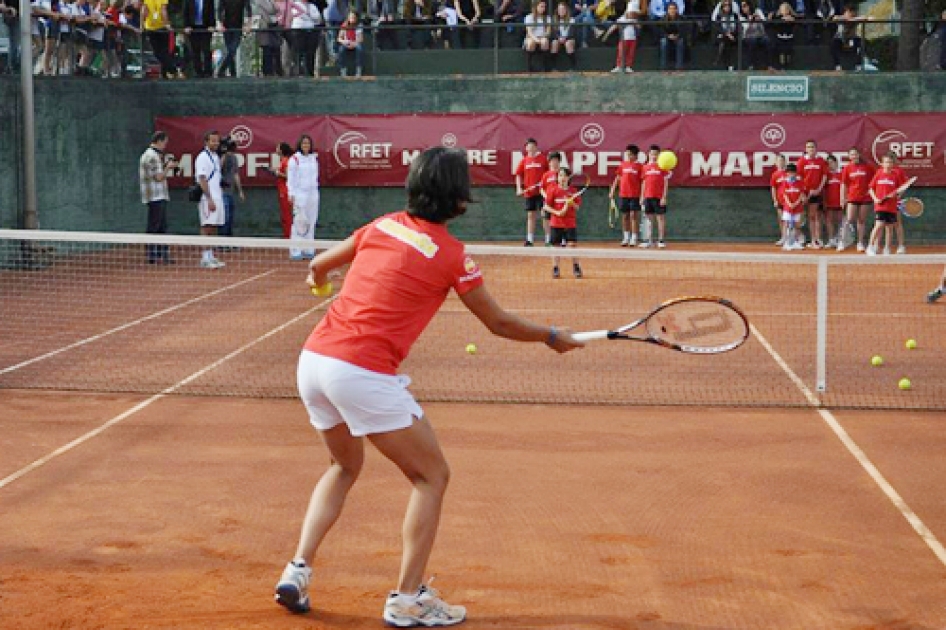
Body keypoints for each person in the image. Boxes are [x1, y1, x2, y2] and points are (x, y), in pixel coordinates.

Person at [273, 147, 583, 625]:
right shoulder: (453, 256)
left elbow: (319, 268)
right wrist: (550, 336)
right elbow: (497, 322)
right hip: (362, 373)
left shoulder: (381, 225)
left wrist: (320, 288)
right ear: (459, 202)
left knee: (342, 466)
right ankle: (406, 598)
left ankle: (297, 570)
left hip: (313, 362)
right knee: (431, 476)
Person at [139, 131, 177, 264]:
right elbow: (159, 177)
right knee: (154, 226)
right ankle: (152, 255)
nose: (165, 146)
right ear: (159, 141)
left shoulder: (155, 156)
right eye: (165, 143)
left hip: (159, 195)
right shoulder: (151, 156)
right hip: (155, 196)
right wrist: (168, 167)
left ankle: (162, 254)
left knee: (161, 226)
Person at [866, 152, 908, 257]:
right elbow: (871, 188)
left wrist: (897, 195)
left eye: (890, 162)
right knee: (879, 225)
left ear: (893, 163)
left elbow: (900, 189)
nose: (888, 164)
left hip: (892, 206)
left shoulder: (895, 175)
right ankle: (870, 247)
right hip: (880, 206)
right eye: (886, 162)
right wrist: (875, 199)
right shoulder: (878, 173)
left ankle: (887, 249)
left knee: (889, 228)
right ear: (882, 163)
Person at [195, 130, 226, 268]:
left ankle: (211, 256)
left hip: (218, 196)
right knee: (206, 226)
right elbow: (202, 178)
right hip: (207, 198)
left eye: (217, 141)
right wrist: (209, 198)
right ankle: (205, 258)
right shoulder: (202, 157)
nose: (216, 143)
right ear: (206, 142)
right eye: (213, 140)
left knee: (214, 227)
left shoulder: (215, 157)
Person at [545, 167, 583, 278]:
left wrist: (571, 203)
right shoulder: (552, 190)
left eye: (564, 176)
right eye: (560, 175)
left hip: (570, 223)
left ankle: (576, 267)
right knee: (555, 246)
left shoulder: (573, 191)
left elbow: (577, 208)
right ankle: (555, 268)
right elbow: (546, 206)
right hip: (556, 223)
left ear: (568, 178)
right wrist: (557, 212)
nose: (562, 178)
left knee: (572, 246)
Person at [287, 134, 320, 260]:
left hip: (313, 194)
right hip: (300, 194)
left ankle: (308, 248)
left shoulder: (313, 158)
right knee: (299, 222)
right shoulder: (294, 159)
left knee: (311, 221)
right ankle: (296, 249)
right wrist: (291, 193)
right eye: (304, 143)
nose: (306, 145)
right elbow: (291, 179)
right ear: (300, 145)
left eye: (308, 143)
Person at [837, 146, 873, 252]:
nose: (854, 156)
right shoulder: (847, 168)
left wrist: (870, 190)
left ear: (859, 155)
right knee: (849, 219)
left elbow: (874, 180)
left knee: (861, 221)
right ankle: (842, 241)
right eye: (851, 154)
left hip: (865, 198)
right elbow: (844, 184)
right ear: (849, 156)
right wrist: (842, 198)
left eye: (855, 154)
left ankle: (860, 243)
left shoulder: (868, 167)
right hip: (852, 197)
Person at [513, 137, 548, 247]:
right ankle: (529, 239)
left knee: (544, 215)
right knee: (531, 215)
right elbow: (518, 175)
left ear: (536, 147)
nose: (530, 148)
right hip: (529, 193)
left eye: (532, 146)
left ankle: (548, 240)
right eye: (528, 146)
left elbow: (549, 174)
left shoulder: (543, 159)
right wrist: (519, 188)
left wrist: (546, 186)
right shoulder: (524, 160)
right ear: (526, 148)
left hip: (542, 192)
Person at [796, 139, 828, 249]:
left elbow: (824, 176)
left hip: (815, 193)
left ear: (816, 148)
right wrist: (802, 193)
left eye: (812, 147)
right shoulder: (801, 161)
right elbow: (798, 178)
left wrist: (818, 189)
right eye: (809, 147)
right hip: (803, 193)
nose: (811, 149)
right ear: (806, 149)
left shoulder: (821, 161)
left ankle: (814, 240)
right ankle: (798, 238)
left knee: (812, 217)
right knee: (797, 217)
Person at [609, 143, 643, 247]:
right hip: (623, 194)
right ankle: (626, 237)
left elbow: (643, 182)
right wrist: (612, 190)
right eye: (627, 154)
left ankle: (634, 237)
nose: (628, 156)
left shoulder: (640, 166)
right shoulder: (622, 165)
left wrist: (642, 196)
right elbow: (617, 178)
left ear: (636, 156)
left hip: (635, 195)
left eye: (630, 155)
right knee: (625, 216)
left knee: (633, 216)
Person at [639, 145, 670, 248]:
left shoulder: (662, 167)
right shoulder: (645, 167)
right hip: (648, 196)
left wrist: (664, 197)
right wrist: (642, 197)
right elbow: (644, 182)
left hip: (659, 197)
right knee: (648, 219)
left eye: (656, 154)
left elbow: (665, 183)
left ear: (659, 155)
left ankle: (661, 240)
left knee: (660, 218)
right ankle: (648, 240)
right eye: (652, 154)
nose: (654, 156)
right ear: (649, 154)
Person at [215, 0, 252, 77]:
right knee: (230, 50)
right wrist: (220, 23)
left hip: (238, 27)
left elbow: (248, 9)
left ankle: (222, 69)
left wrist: (248, 24)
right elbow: (219, 9)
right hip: (226, 27)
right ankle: (233, 72)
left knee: (232, 49)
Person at [219, 135, 244, 238]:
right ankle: (222, 242)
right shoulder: (221, 156)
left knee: (230, 217)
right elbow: (218, 168)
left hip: (230, 191)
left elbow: (235, 174)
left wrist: (240, 191)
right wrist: (224, 154)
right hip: (222, 191)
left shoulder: (234, 157)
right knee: (225, 217)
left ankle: (229, 240)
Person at [184, 0, 216, 78]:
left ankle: (208, 72)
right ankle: (198, 72)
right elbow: (185, 12)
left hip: (206, 28)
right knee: (195, 51)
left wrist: (212, 25)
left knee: (206, 50)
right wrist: (186, 26)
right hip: (193, 28)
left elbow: (212, 12)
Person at [269, 142, 295, 238]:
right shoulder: (283, 160)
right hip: (282, 191)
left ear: (282, 149)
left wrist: (277, 173)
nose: (276, 149)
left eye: (278, 147)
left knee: (287, 215)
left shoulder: (286, 160)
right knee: (284, 215)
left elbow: (288, 176)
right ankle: (286, 234)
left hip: (285, 192)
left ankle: (288, 236)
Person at [142, 0, 174, 77]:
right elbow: (163, 10)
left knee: (158, 52)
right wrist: (167, 24)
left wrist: (142, 25)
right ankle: (171, 69)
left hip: (151, 27)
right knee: (163, 51)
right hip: (159, 27)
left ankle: (165, 72)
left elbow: (144, 11)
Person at [606, 1, 638, 73]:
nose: (631, 14)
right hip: (624, 38)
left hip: (633, 38)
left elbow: (639, 27)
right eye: (631, 13)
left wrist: (634, 23)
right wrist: (607, 34)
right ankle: (618, 66)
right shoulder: (622, 18)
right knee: (621, 52)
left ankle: (628, 66)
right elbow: (614, 26)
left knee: (630, 53)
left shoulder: (634, 19)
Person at [780, 163, 805, 251]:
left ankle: (795, 242)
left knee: (797, 225)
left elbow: (801, 194)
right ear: (787, 173)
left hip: (797, 207)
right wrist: (790, 204)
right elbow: (784, 194)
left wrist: (796, 203)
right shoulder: (784, 182)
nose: (791, 174)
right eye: (789, 172)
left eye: (792, 172)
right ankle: (786, 242)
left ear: (795, 173)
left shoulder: (800, 182)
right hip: (788, 207)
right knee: (786, 224)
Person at [539, 151, 562, 245]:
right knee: (546, 218)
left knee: (561, 219)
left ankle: (562, 239)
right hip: (548, 201)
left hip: (559, 201)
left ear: (559, 161)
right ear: (549, 162)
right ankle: (548, 238)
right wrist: (546, 196)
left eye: (556, 160)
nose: (554, 162)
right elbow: (541, 189)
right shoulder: (546, 175)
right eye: (552, 160)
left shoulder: (562, 173)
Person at [523, 0, 551, 72]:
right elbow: (529, 32)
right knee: (531, 43)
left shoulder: (547, 18)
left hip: (542, 37)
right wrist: (537, 40)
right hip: (531, 37)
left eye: (544, 7)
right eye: (541, 6)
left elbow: (548, 31)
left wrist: (543, 37)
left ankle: (544, 67)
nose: (543, 8)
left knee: (544, 41)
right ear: (536, 7)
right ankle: (529, 67)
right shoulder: (529, 17)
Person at [712, 0, 740, 70]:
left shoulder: (734, 15)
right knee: (724, 41)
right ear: (722, 7)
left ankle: (718, 58)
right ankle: (729, 65)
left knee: (724, 42)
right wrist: (727, 34)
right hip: (723, 35)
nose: (727, 8)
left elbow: (737, 27)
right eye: (725, 6)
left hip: (733, 35)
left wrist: (732, 35)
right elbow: (718, 27)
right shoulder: (719, 16)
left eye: (728, 6)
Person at [659, 2, 686, 71]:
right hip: (667, 37)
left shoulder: (682, 18)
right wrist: (668, 36)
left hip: (677, 37)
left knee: (680, 42)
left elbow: (684, 30)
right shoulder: (662, 19)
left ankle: (679, 67)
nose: (672, 10)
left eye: (674, 9)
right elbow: (660, 32)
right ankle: (663, 67)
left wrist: (677, 36)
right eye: (670, 9)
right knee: (663, 42)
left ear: (677, 10)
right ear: (667, 10)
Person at [550, 1, 577, 69]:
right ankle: (553, 67)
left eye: (563, 9)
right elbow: (554, 33)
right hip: (558, 39)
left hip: (569, 39)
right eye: (559, 9)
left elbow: (572, 33)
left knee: (568, 43)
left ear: (566, 10)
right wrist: (559, 38)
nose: (561, 11)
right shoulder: (554, 20)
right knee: (554, 43)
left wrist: (565, 38)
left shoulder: (572, 20)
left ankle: (573, 67)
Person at [337, 10, 363, 76]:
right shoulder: (344, 25)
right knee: (341, 50)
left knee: (359, 49)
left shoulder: (359, 25)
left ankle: (358, 70)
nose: (352, 19)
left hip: (355, 43)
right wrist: (344, 42)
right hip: (346, 43)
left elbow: (360, 39)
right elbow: (339, 38)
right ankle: (343, 70)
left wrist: (354, 43)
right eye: (351, 17)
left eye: (353, 17)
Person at [823, 155, 842, 248]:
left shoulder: (841, 174)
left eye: (832, 162)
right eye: (828, 163)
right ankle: (831, 240)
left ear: (836, 163)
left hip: (840, 202)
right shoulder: (826, 176)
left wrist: (844, 200)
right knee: (829, 221)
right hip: (829, 201)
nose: (830, 165)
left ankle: (839, 239)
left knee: (839, 221)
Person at [769, 154, 788, 245]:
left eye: (782, 161)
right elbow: (773, 188)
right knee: (781, 219)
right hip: (780, 201)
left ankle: (792, 238)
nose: (780, 163)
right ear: (775, 163)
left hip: (789, 202)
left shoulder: (789, 173)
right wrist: (775, 200)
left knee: (790, 220)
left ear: (785, 162)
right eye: (778, 161)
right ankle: (783, 237)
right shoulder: (774, 175)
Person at [771, 2, 795, 69]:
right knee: (781, 52)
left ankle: (788, 65)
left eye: (785, 9)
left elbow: (795, 21)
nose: (784, 11)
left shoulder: (792, 17)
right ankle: (782, 67)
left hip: (789, 38)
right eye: (782, 9)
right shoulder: (777, 18)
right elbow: (774, 24)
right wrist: (782, 19)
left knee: (788, 53)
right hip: (780, 39)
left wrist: (791, 20)